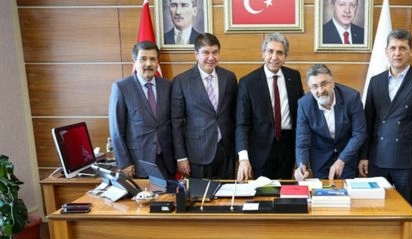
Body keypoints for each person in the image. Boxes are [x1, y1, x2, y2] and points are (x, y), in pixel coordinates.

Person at [359, 29, 412, 210]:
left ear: (411, 51)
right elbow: (368, 123)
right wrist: (363, 156)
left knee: (407, 211)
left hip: (408, 161)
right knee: (375, 209)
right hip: (377, 159)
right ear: (386, 51)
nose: (397, 53)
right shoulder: (375, 81)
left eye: (402, 48)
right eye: (393, 48)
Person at [236, 33, 304, 181]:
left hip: (288, 148)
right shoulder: (248, 82)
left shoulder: (294, 77)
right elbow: (242, 124)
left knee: (286, 192)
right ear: (263, 54)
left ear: (285, 56)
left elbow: (301, 116)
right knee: (262, 192)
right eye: (270, 51)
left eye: (280, 53)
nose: (274, 57)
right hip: (260, 151)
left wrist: (302, 155)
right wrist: (243, 159)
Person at [171, 33, 238, 179]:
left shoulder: (229, 77)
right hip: (197, 153)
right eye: (206, 52)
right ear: (196, 54)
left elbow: (234, 115)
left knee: (228, 192)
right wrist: (181, 156)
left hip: (226, 150)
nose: (211, 57)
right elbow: (176, 122)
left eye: (215, 52)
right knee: (200, 193)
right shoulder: (181, 81)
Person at [108, 41, 176, 178]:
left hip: (166, 160)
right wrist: (125, 162)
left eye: (153, 59)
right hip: (138, 162)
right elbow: (116, 130)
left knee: (168, 192)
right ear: (134, 61)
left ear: (157, 62)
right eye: (143, 59)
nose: (148, 64)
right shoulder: (121, 88)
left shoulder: (168, 86)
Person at [294, 64, 367, 180]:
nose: (320, 90)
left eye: (324, 84)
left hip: (347, 157)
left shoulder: (352, 98)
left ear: (332, 82)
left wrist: (342, 160)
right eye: (314, 86)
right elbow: (302, 140)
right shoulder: (304, 105)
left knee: (346, 190)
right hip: (320, 159)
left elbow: (359, 133)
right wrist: (301, 164)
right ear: (310, 89)